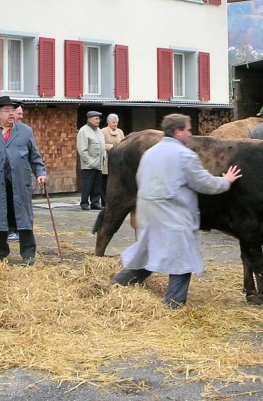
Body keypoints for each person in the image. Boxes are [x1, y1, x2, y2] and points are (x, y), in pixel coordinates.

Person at [110, 114, 242, 308]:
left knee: (146, 254)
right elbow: (205, 183)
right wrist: (226, 180)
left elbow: (140, 179)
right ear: (178, 131)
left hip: (148, 211)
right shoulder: (184, 155)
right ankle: (174, 306)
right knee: (181, 260)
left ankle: (117, 285)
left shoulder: (151, 153)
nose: (190, 134)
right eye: (187, 130)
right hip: (173, 214)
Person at [0, 95, 48, 264]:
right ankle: (0, 253)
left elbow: (35, 157)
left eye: (12, 110)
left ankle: (28, 253)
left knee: (23, 217)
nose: (11, 114)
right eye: (7, 110)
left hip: (20, 181)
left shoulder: (25, 131)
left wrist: (41, 173)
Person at [77, 111, 106, 211]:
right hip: (89, 164)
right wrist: (89, 161)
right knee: (87, 185)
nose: (98, 121)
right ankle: (84, 203)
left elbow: (103, 146)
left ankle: (95, 202)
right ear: (89, 119)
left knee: (97, 185)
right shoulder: (84, 130)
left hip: (99, 163)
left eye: (99, 119)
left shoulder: (99, 131)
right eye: (96, 119)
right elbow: (82, 149)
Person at [8, 101, 25, 242]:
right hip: (3, 176)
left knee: (20, 204)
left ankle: (20, 230)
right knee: (8, 203)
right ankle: (10, 229)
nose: (21, 116)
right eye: (19, 113)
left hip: (20, 175)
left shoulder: (25, 131)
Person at [100, 113, 125, 208]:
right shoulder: (103, 131)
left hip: (117, 159)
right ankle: (104, 201)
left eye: (116, 122)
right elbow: (101, 144)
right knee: (105, 181)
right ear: (108, 123)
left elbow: (123, 143)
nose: (115, 124)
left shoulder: (120, 132)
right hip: (106, 158)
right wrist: (113, 147)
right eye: (113, 122)